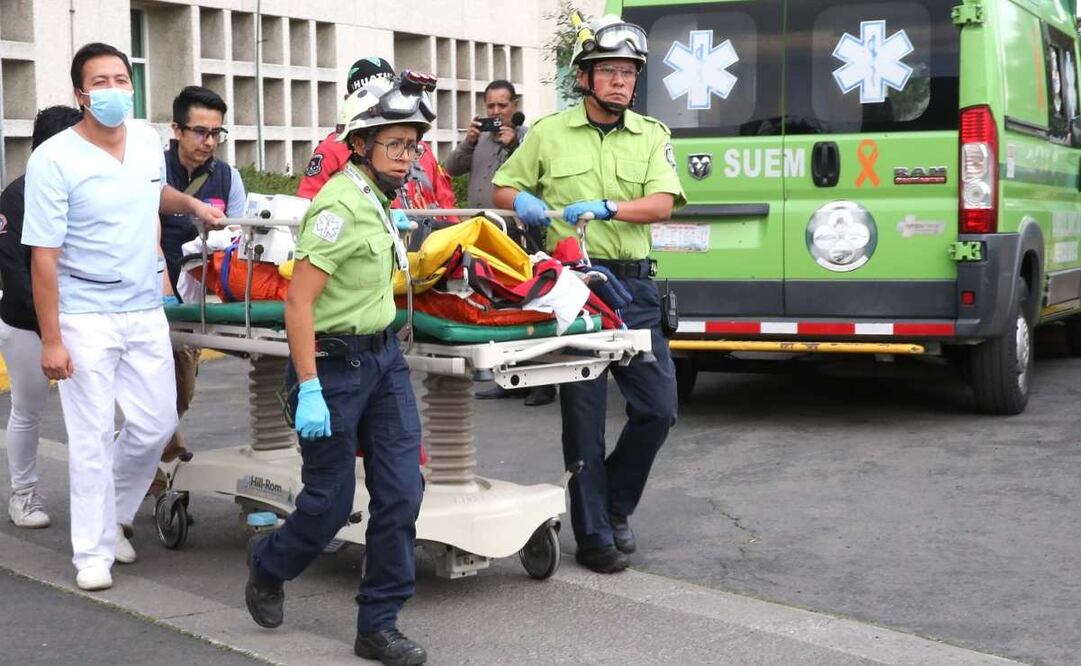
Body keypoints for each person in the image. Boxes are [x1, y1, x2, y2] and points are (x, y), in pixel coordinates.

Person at [21, 42, 224, 592]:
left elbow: (152, 194)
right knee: (89, 436)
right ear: (81, 94)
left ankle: (111, 513)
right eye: (101, 82)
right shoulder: (54, 158)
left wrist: (195, 206)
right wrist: (52, 340)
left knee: (156, 423)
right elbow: (43, 256)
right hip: (84, 313)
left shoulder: (141, 143)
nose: (114, 89)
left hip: (142, 310)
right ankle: (94, 548)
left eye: (121, 78)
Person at [244, 72, 430, 666]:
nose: (407, 156)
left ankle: (379, 624)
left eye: (412, 145)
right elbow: (298, 303)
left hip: (383, 360)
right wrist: (310, 388)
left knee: (402, 492)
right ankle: (270, 563)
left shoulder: (378, 199)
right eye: (395, 145)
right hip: (333, 367)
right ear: (360, 145)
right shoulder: (338, 206)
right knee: (329, 501)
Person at [491, 15, 686, 574]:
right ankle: (595, 533)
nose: (620, 82)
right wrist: (519, 201)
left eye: (628, 73)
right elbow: (507, 184)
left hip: (633, 287)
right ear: (585, 78)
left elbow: (663, 204)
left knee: (658, 409)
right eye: (609, 72)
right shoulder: (550, 132)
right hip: (571, 287)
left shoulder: (652, 134)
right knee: (584, 414)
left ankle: (616, 505)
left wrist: (609, 208)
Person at [446, 80, 556, 407]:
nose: (495, 113)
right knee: (493, 300)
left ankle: (542, 381)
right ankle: (508, 378)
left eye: (501, 106)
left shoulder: (528, 138)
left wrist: (512, 146)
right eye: (490, 107)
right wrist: (468, 142)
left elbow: (534, 179)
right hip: (481, 230)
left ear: (514, 106)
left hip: (515, 230)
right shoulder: (479, 139)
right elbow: (451, 169)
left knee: (527, 302)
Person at [155, 85, 246, 475]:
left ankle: (141, 455)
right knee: (156, 391)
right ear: (177, 129)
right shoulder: (153, 170)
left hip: (199, 302)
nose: (209, 141)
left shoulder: (227, 178)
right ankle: (155, 467)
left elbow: (241, 240)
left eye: (216, 133)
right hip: (153, 296)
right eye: (200, 132)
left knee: (182, 388)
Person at [0, 105, 83, 528]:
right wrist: (52, 327)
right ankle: (24, 496)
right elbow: (16, 274)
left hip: (81, 319)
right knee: (29, 408)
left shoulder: (81, 188)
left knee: (96, 413)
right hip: (26, 324)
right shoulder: (15, 196)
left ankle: (104, 496)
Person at [297, 56, 456, 220]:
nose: (405, 155)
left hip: (428, 240)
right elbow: (309, 206)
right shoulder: (333, 148)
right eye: (393, 144)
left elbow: (446, 202)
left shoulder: (421, 148)